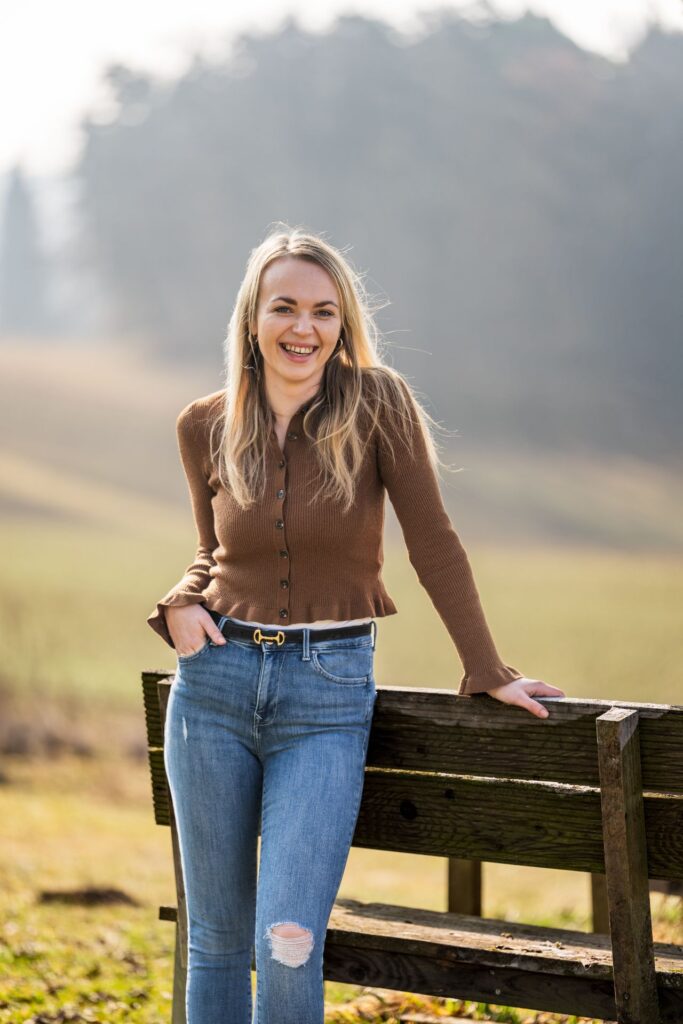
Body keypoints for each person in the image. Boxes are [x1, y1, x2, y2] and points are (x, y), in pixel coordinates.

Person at [146, 225, 564, 1023]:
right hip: (213, 690)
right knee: (218, 939)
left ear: (342, 325)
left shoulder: (378, 404)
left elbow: (433, 543)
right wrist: (180, 596)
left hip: (325, 697)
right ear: (251, 319)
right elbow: (212, 550)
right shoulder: (202, 422)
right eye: (284, 307)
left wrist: (487, 667)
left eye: (323, 311)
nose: (303, 327)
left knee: (287, 937)